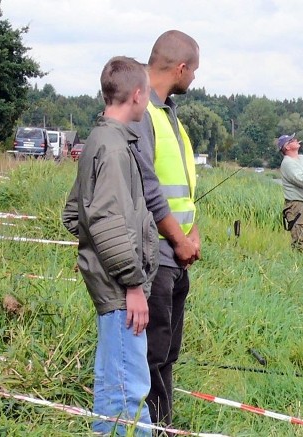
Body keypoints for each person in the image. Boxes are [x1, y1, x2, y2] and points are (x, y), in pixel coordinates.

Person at [62, 56, 159, 436]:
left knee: (113, 383)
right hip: (123, 293)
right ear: (136, 95)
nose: (148, 101)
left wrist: (94, 255)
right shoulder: (116, 150)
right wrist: (131, 284)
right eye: (147, 94)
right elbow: (103, 220)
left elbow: (75, 214)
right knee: (127, 391)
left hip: (112, 285)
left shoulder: (99, 140)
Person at [129, 30, 200, 429]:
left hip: (178, 256)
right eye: (195, 71)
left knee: (167, 353)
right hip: (157, 256)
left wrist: (194, 234)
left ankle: (165, 424)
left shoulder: (170, 114)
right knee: (152, 353)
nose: (194, 79)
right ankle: (151, 426)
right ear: (181, 67)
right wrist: (177, 238)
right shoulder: (142, 114)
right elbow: (149, 188)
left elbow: (185, 187)